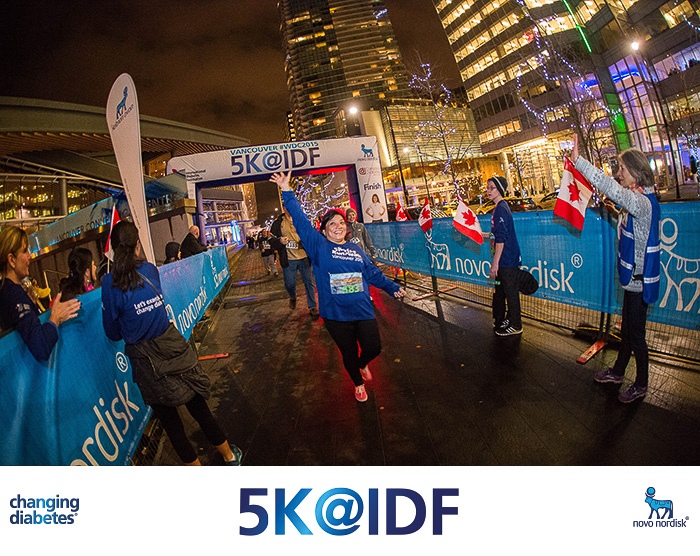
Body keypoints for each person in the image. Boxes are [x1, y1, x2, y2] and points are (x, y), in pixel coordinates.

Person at [101, 221, 242, 465]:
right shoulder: (149, 270)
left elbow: (112, 333)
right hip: (173, 349)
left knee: (172, 426)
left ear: (113, 249)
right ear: (137, 245)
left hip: (147, 364)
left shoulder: (109, 283)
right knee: (200, 409)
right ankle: (230, 457)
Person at [270, 171, 406, 403]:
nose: (338, 226)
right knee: (348, 353)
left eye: (341, 222)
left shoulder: (355, 249)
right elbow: (300, 221)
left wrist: (391, 287)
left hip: (362, 311)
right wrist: (286, 190)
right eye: (332, 223)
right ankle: (358, 384)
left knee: (373, 348)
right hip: (336, 316)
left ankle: (363, 364)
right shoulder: (318, 246)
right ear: (324, 230)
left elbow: (371, 273)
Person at [572, 136, 660, 403]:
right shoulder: (639, 199)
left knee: (637, 336)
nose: (618, 173)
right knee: (629, 332)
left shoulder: (640, 202)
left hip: (638, 282)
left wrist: (579, 162)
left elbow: (611, 187)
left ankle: (641, 384)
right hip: (633, 281)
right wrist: (614, 213)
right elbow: (632, 229)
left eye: (622, 168)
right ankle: (619, 372)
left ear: (635, 171)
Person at [0, 225, 81, 361]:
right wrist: (55, 317)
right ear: (11, 259)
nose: (30, 256)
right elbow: (40, 346)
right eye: (25, 251)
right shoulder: (14, 295)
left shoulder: (6, 291)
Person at [485, 176, 523, 337]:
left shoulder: (500, 208)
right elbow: (497, 234)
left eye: (492, 187)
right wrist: (482, 235)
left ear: (500, 189)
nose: (488, 191)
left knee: (511, 293)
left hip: (507, 259)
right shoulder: (500, 207)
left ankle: (516, 325)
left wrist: (495, 264)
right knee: (507, 291)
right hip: (506, 258)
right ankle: (510, 319)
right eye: (487, 187)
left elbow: (501, 238)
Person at [270, 202, 319, 318]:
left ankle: (312, 306)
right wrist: (279, 241)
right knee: (289, 284)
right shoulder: (278, 223)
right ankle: (292, 296)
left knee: (309, 283)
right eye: (287, 207)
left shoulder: (301, 220)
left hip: (304, 258)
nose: (290, 209)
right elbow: (271, 240)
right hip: (289, 260)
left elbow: (311, 234)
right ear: (284, 208)